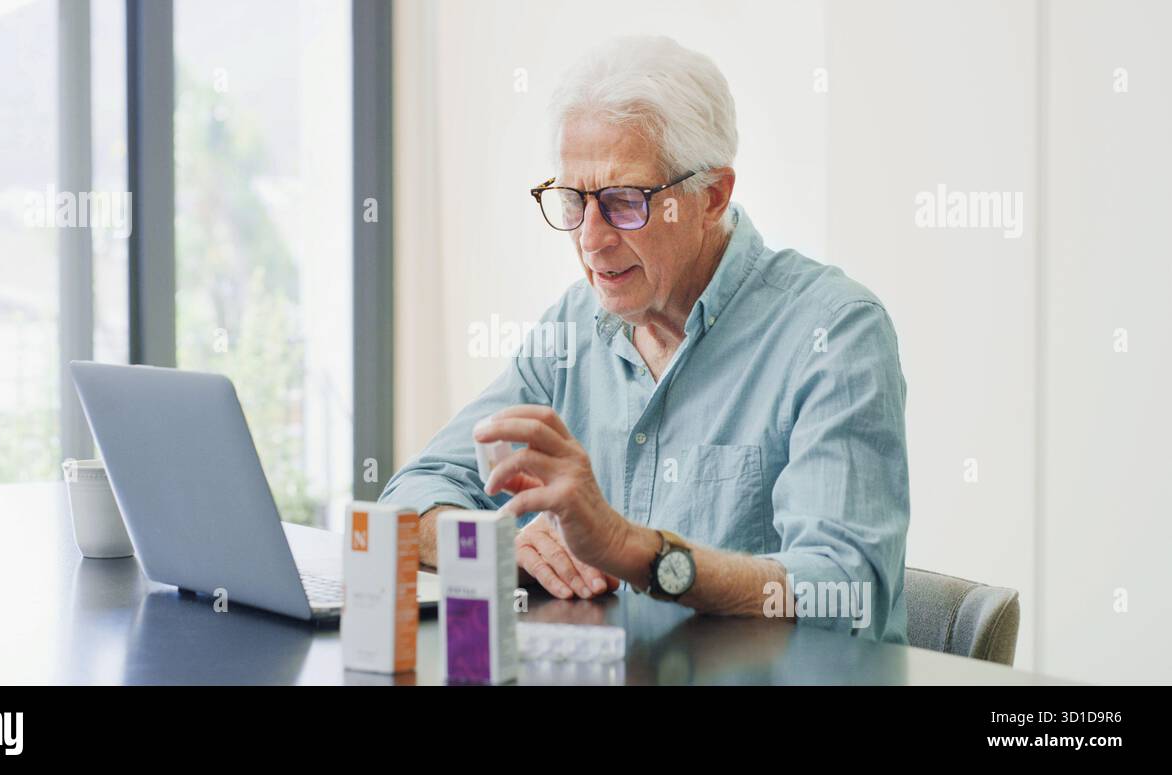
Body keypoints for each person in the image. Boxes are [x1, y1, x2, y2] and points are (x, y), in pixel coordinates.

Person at [380, 35, 909, 642]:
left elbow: (842, 590)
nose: (590, 239)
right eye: (574, 201)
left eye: (625, 202)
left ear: (712, 196)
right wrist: (494, 544)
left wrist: (629, 549)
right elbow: (409, 499)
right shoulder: (572, 328)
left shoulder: (835, 331)